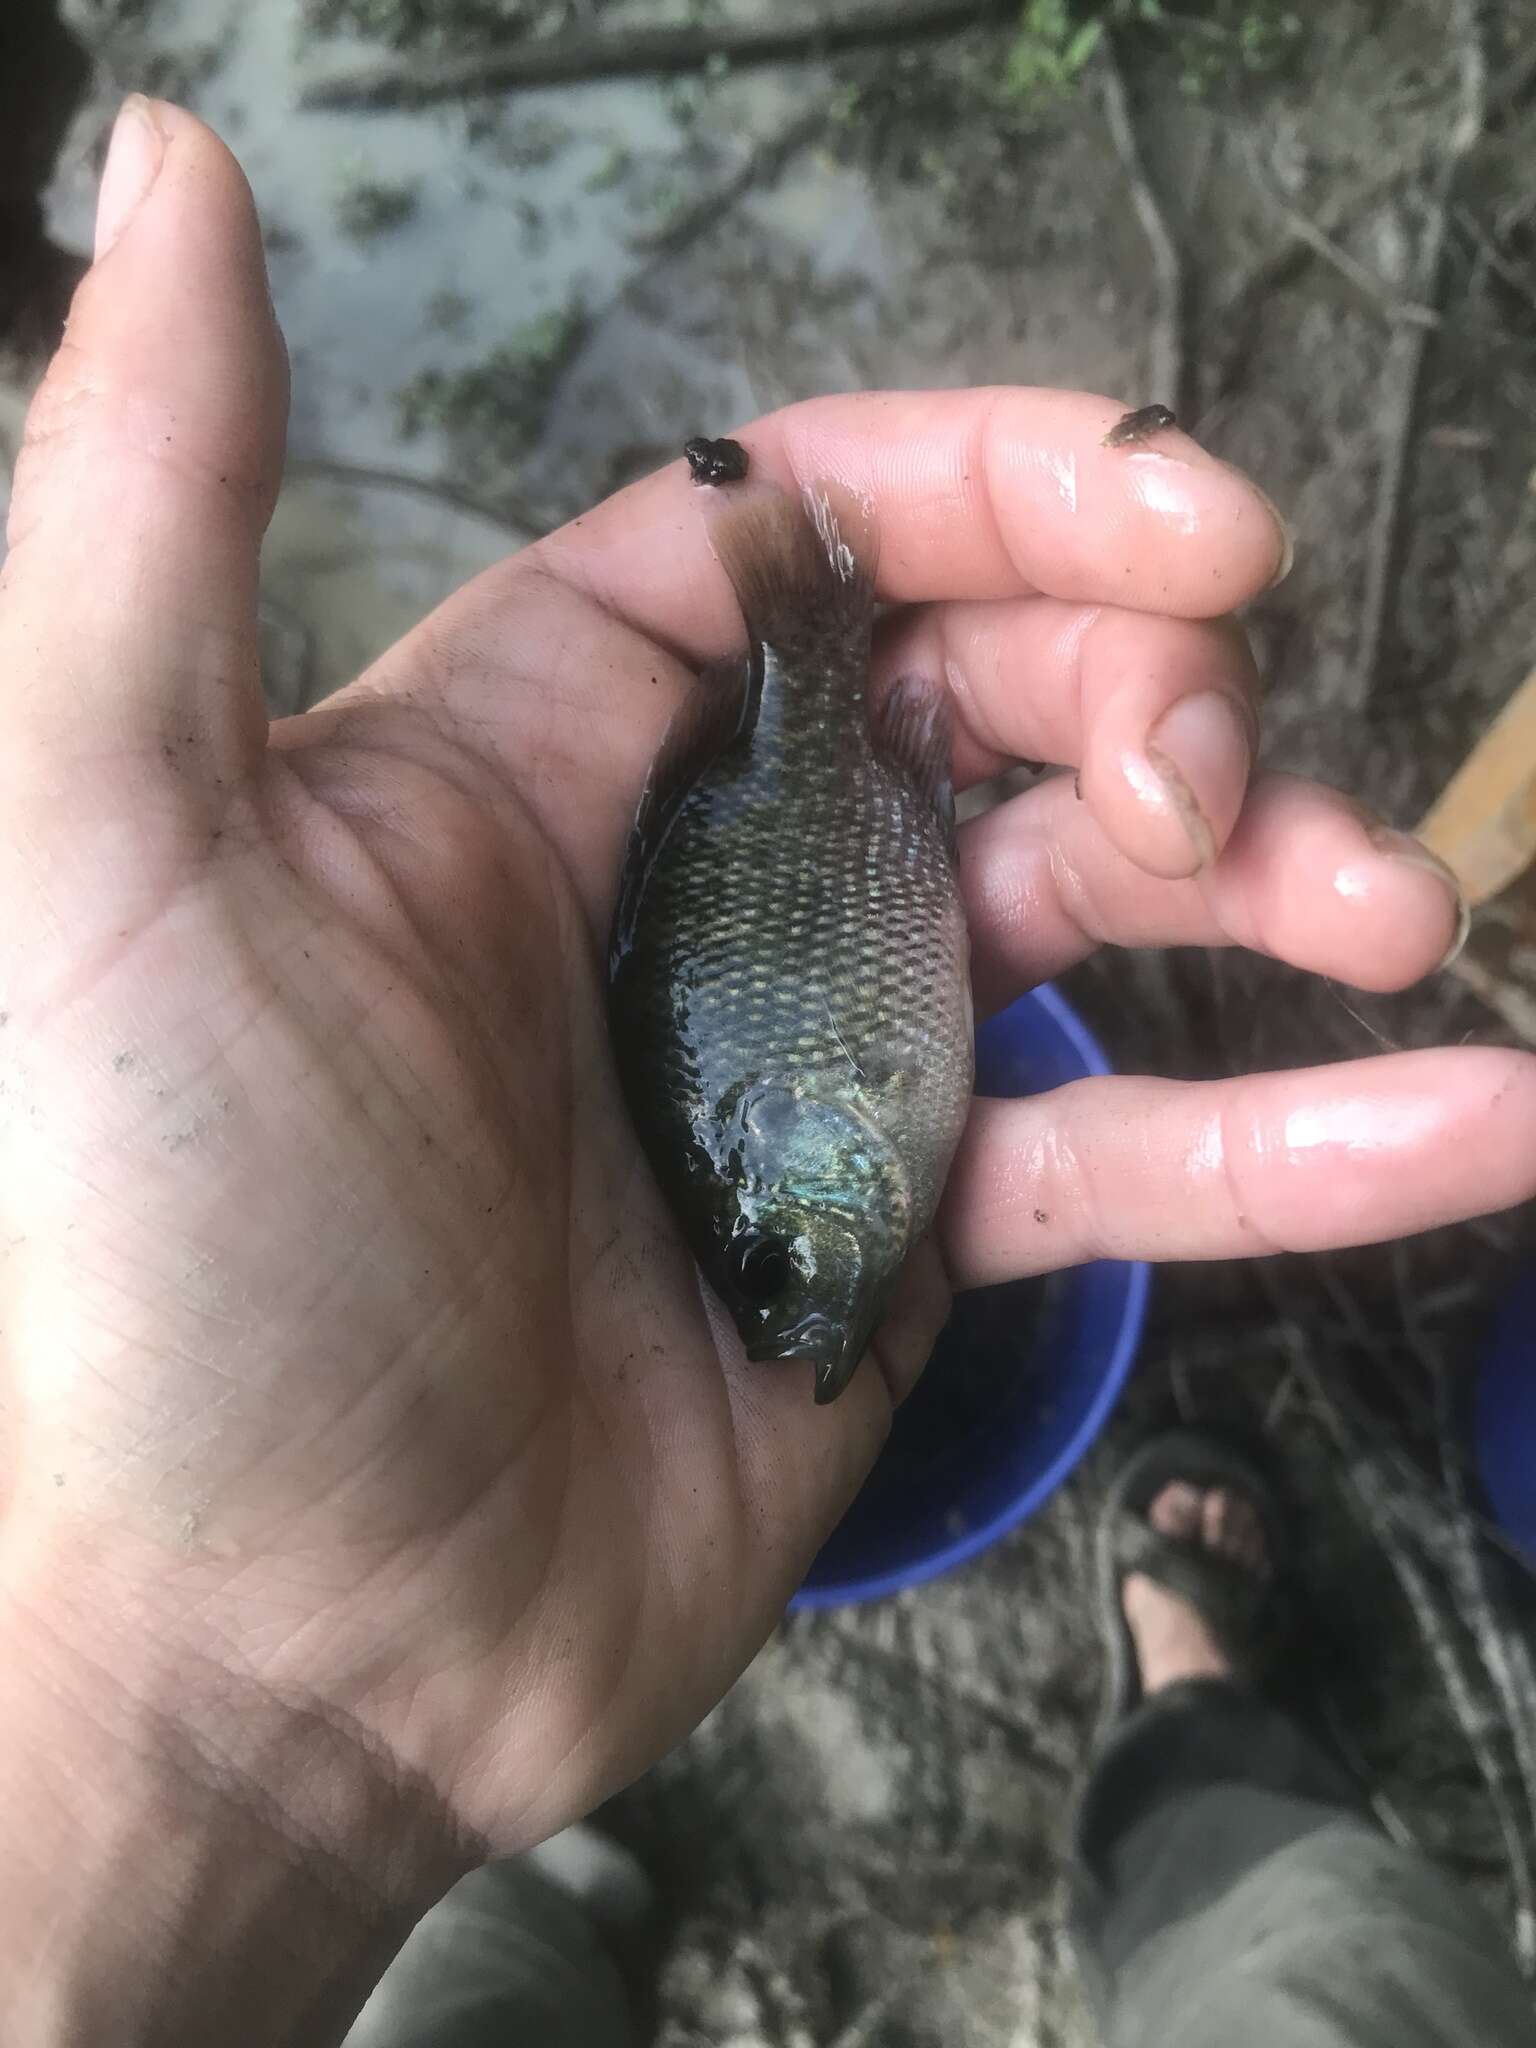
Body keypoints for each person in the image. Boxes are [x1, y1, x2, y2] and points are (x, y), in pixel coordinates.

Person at [0, 96, 1531, 2045]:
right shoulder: (814, 1197)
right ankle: (1205, 1757)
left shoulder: (816, 1172)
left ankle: (557, 1902)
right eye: (797, 1283)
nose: (823, 1299)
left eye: (787, 1272)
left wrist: (194, 1722)